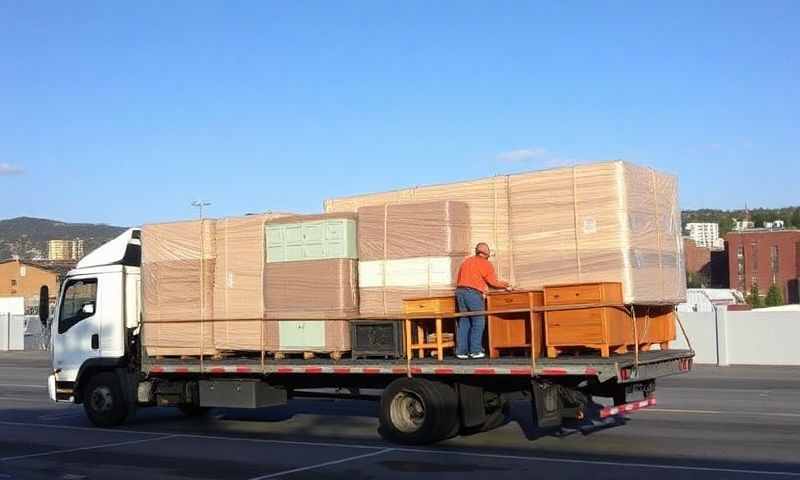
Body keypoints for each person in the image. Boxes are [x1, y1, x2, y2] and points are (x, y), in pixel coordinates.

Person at [454, 242, 511, 359]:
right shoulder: (485, 263)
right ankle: (475, 351)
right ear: (486, 252)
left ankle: (461, 351)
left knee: (464, 321)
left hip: (460, 293)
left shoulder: (466, 262)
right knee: (478, 321)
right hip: (472, 294)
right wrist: (507, 285)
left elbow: (461, 279)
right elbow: (493, 282)